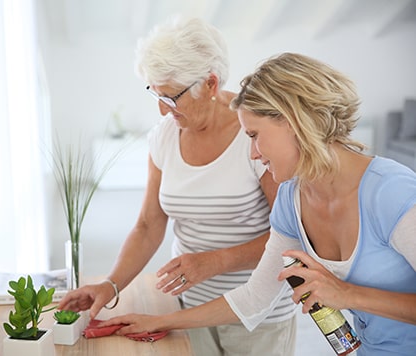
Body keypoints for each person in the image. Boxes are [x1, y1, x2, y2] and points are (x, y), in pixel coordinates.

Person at [100, 52, 416, 355]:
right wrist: (160, 321)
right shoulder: (293, 201)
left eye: (254, 135)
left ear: (294, 122)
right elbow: (255, 297)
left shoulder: (391, 194)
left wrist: (349, 295)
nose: (252, 153)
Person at [58, 18, 297, 355]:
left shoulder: (254, 136)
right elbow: (148, 224)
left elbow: (289, 235)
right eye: (155, 94)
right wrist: (110, 285)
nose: (161, 109)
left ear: (210, 84)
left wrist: (214, 262)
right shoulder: (165, 136)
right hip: (188, 308)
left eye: (171, 97)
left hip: (259, 314)